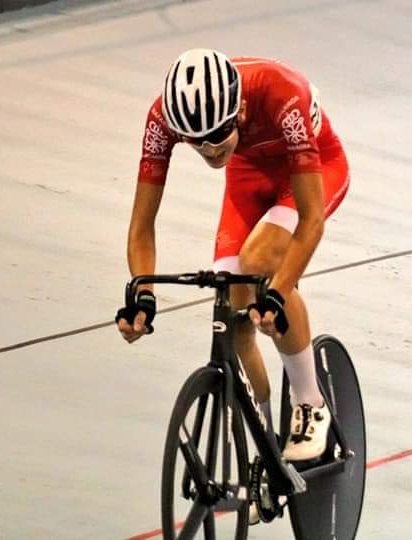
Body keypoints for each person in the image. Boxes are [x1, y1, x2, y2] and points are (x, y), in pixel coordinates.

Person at [116, 49, 349, 464]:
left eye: (218, 135)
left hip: (314, 169)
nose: (208, 149)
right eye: (196, 141)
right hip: (249, 176)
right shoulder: (162, 119)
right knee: (233, 305)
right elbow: (141, 225)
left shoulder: (281, 93)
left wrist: (278, 290)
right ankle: (263, 449)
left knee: (260, 260)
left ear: (238, 108)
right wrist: (143, 295)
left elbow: (311, 220)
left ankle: (311, 403)